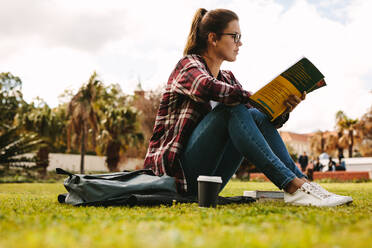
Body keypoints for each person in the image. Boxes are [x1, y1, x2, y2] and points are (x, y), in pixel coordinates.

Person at [144, 8, 352, 207]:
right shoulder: (188, 65)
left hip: (208, 182)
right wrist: (251, 98)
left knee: (253, 115)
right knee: (231, 108)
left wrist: (284, 108)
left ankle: (304, 184)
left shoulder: (228, 78)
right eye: (234, 36)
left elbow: (255, 119)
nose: (240, 43)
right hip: (175, 177)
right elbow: (206, 87)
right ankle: (291, 185)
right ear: (213, 38)